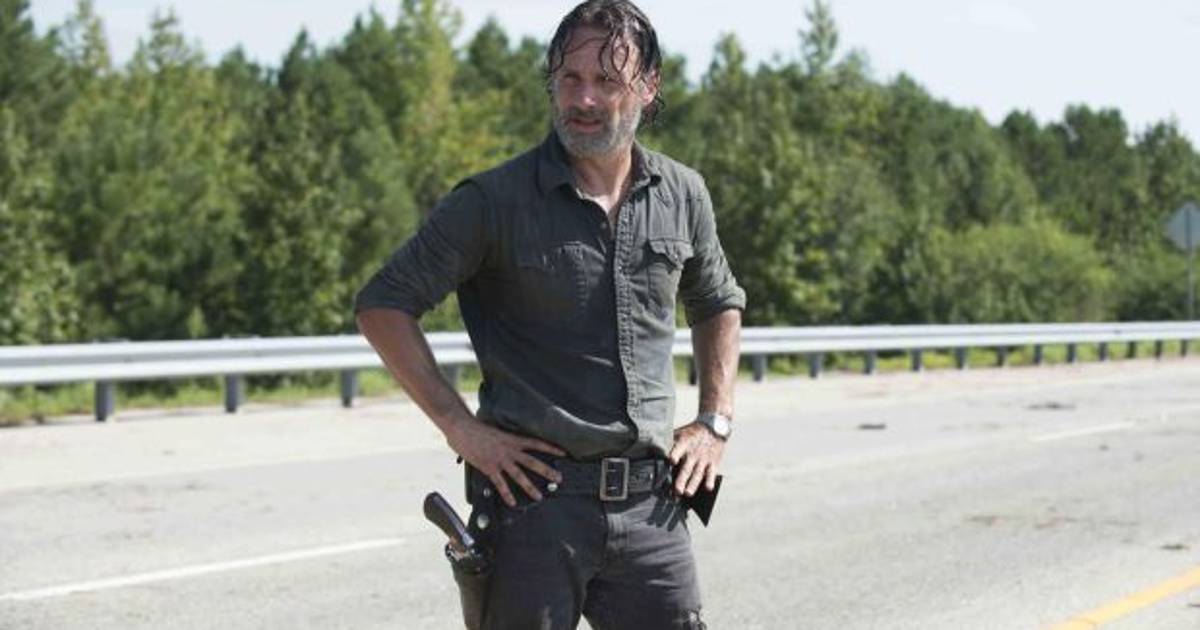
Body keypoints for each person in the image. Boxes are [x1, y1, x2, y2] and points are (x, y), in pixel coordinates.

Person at [354, 1, 744, 628]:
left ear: (648, 86)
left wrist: (714, 423)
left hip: (653, 507)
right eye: (569, 79)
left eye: (606, 80)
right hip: (533, 508)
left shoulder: (682, 193)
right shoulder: (493, 201)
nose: (583, 99)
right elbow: (383, 304)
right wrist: (460, 428)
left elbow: (718, 299)